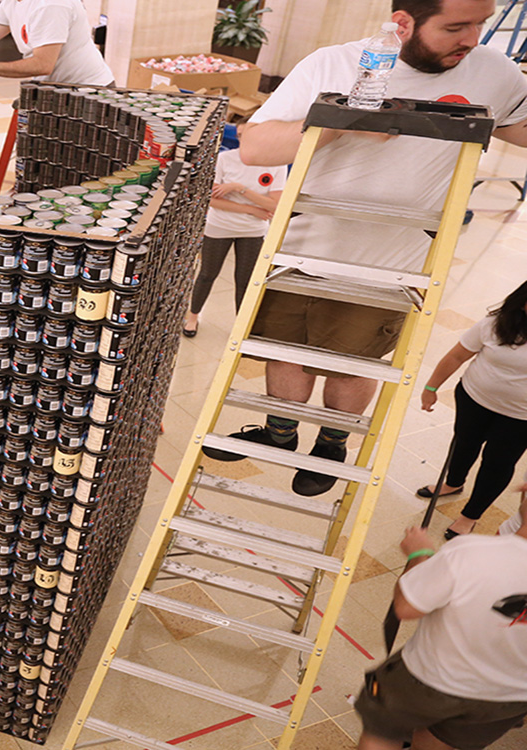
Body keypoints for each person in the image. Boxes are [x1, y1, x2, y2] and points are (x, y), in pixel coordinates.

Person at [209, 0, 527, 498]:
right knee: (283, 350)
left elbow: (518, 129)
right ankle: (280, 433)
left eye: (480, 24)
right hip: (301, 250)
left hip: (389, 265)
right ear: (402, 23)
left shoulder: (495, 72)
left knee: (352, 361)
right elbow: (255, 147)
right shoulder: (332, 63)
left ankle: (333, 444)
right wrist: (344, 119)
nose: (472, 38)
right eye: (455, 26)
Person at [353, 504, 527, 750]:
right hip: (508, 699)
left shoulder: (472, 552)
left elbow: (406, 607)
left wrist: (418, 554)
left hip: (429, 679)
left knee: (383, 733)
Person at [417, 280, 527, 539]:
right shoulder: (496, 323)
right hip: (473, 398)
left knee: (497, 464)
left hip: (520, 417)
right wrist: (431, 388)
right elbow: (457, 355)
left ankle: (470, 515)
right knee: (464, 444)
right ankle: (453, 483)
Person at [183, 143, 285, 338]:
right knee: (207, 274)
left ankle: (241, 326)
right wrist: (252, 209)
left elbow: (274, 205)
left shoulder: (276, 165)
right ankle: (193, 318)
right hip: (219, 226)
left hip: (253, 231)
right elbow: (211, 200)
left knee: (246, 281)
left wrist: (238, 188)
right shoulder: (225, 159)